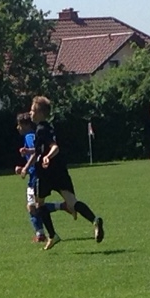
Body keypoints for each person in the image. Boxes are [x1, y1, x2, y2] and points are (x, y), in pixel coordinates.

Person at [28, 95, 104, 251]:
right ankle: (94, 219)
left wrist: (47, 157)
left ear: (40, 113)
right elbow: (40, 150)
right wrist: (28, 161)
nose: (30, 113)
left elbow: (54, 147)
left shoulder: (41, 129)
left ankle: (52, 235)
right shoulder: (49, 127)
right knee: (72, 202)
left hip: (46, 173)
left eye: (32, 110)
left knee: (39, 204)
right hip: (60, 171)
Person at [15, 113, 62, 244]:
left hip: (36, 175)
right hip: (34, 174)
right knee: (34, 206)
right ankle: (40, 233)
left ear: (25, 125)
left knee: (33, 206)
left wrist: (25, 168)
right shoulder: (30, 135)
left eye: (19, 125)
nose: (17, 128)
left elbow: (36, 153)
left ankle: (42, 233)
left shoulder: (29, 136)